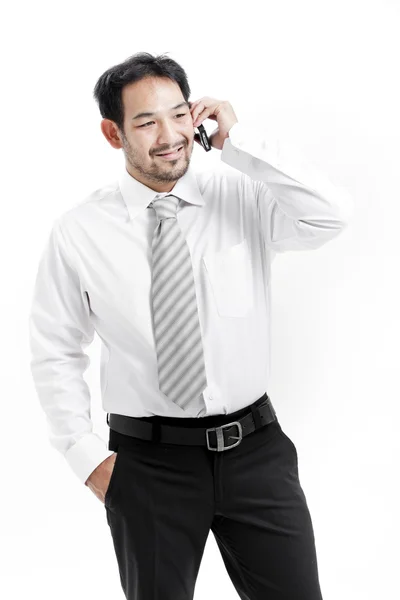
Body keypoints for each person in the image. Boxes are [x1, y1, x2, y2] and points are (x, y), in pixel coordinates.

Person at [28, 51, 353, 600]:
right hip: (147, 465)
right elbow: (56, 348)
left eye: (179, 114)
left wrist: (239, 142)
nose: (169, 135)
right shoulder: (79, 231)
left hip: (257, 452)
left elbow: (330, 215)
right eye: (146, 121)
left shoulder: (242, 197)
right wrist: (86, 458)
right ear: (114, 133)